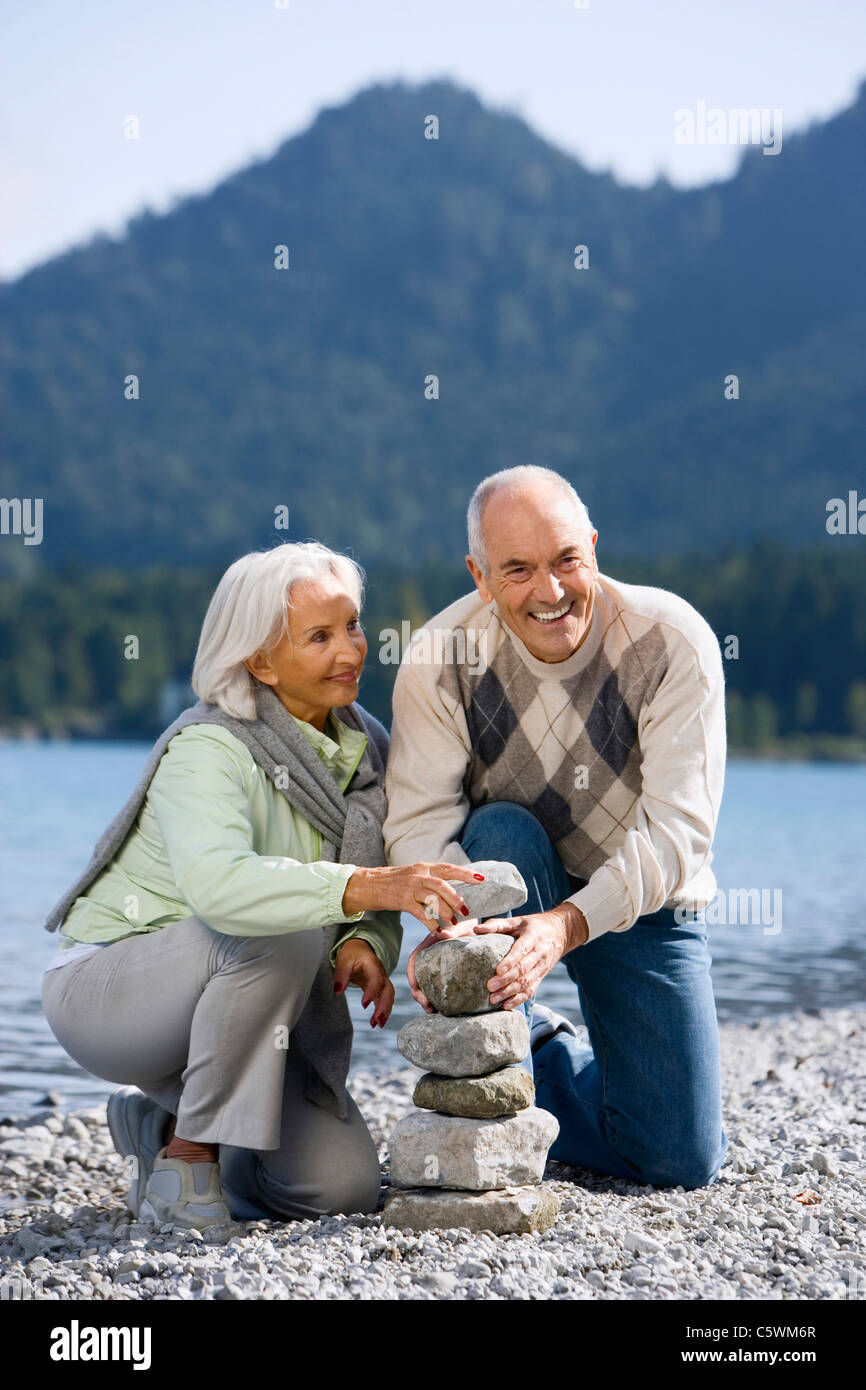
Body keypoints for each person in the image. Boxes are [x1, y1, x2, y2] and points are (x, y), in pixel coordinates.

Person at [42, 541, 478, 1228]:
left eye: (354, 626)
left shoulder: (367, 750)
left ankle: (154, 1134)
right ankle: (186, 1167)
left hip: (250, 1002)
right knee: (280, 932)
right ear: (261, 661)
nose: (352, 650)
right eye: (320, 637)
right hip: (112, 994)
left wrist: (366, 940)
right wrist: (364, 890)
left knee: (339, 1190)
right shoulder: (209, 748)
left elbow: (381, 872)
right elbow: (224, 888)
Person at [383, 466, 729, 1191]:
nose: (551, 591)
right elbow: (418, 829)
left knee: (678, 1157)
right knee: (501, 834)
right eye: (518, 569)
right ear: (480, 575)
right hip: (512, 871)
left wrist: (567, 925)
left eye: (567, 559)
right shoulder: (437, 661)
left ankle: (536, 1057)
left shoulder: (672, 642)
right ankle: (510, 1038)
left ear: (595, 548)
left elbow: (678, 835)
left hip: (639, 893)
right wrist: (452, 933)